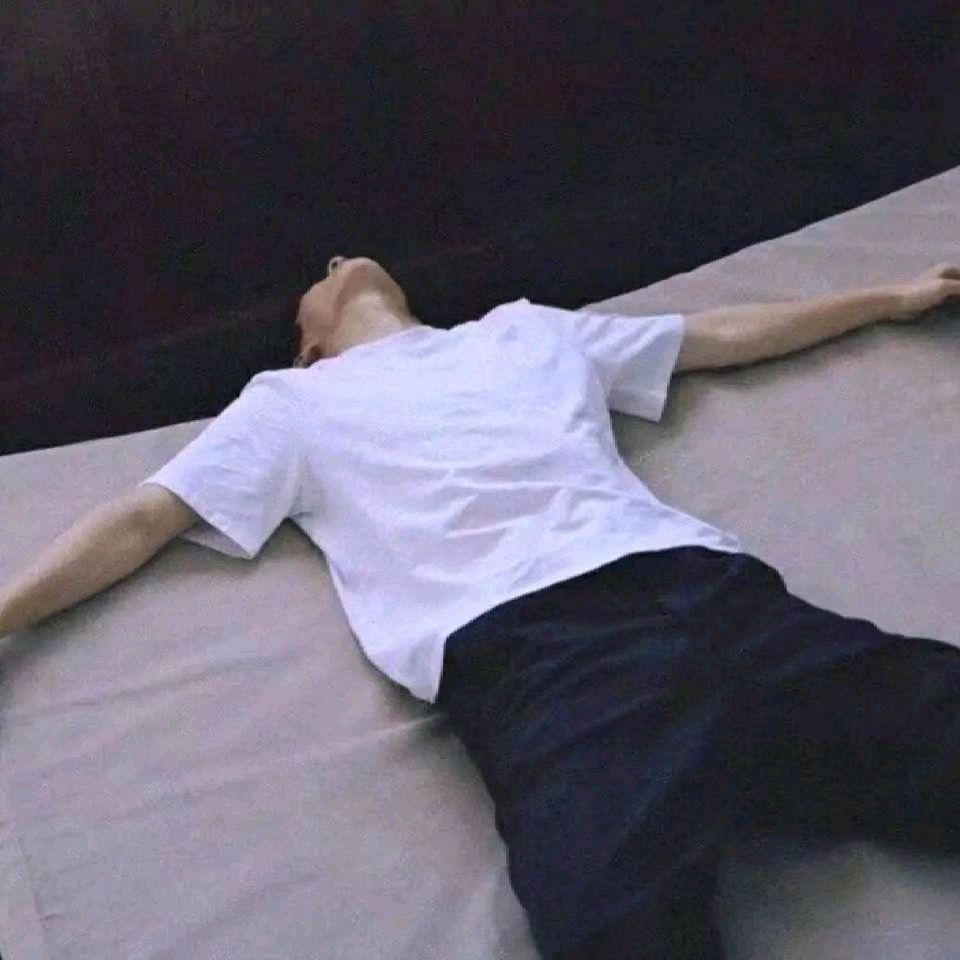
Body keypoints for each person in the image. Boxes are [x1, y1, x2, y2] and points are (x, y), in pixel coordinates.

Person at [1, 255, 959, 959]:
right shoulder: (287, 404)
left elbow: (715, 334)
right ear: (309, 341)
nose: (337, 261)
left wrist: (892, 295)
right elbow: (139, 520)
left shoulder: (525, 330)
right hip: (549, 661)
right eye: (318, 277)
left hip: (712, 597)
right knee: (614, 926)